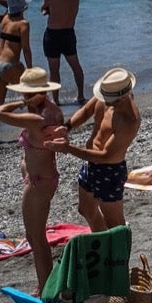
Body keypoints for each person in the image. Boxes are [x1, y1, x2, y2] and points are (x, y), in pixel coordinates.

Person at [0, 67, 65, 288]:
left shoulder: (35, 117)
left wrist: (20, 104)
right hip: (43, 178)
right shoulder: (53, 110)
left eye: (26, 94)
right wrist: (27, 101)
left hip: (38, 183)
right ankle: (45, 285)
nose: (23, 97)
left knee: (36, 238)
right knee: (37, 237)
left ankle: (45, 288)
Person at [54, 67, 140, 232]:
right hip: (90, 163)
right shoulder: (108, 93)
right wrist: (66, 127)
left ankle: (119, 254)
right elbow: (86, 111)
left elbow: (105, 156)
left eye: (109, 99)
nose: (104, 101)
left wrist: (68, 148)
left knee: (115, 224)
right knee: (85, 209)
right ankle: (102, 241)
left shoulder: (129, 120)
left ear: (122, 97)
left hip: (110, 170)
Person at [0, 0, 34, 146]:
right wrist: (30, 69)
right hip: (10, 65)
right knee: (31, 95)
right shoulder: (23, 24)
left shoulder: (5, 18)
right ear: (23, 7)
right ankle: (33, 131)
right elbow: (25, 49)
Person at [40, 0, 84, 102]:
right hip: (69, 33)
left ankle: (56, 100)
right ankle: (81, 95)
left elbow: (43, 10)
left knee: (54, 69)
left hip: (53, 35)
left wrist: (49, 12)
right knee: (75, 65)